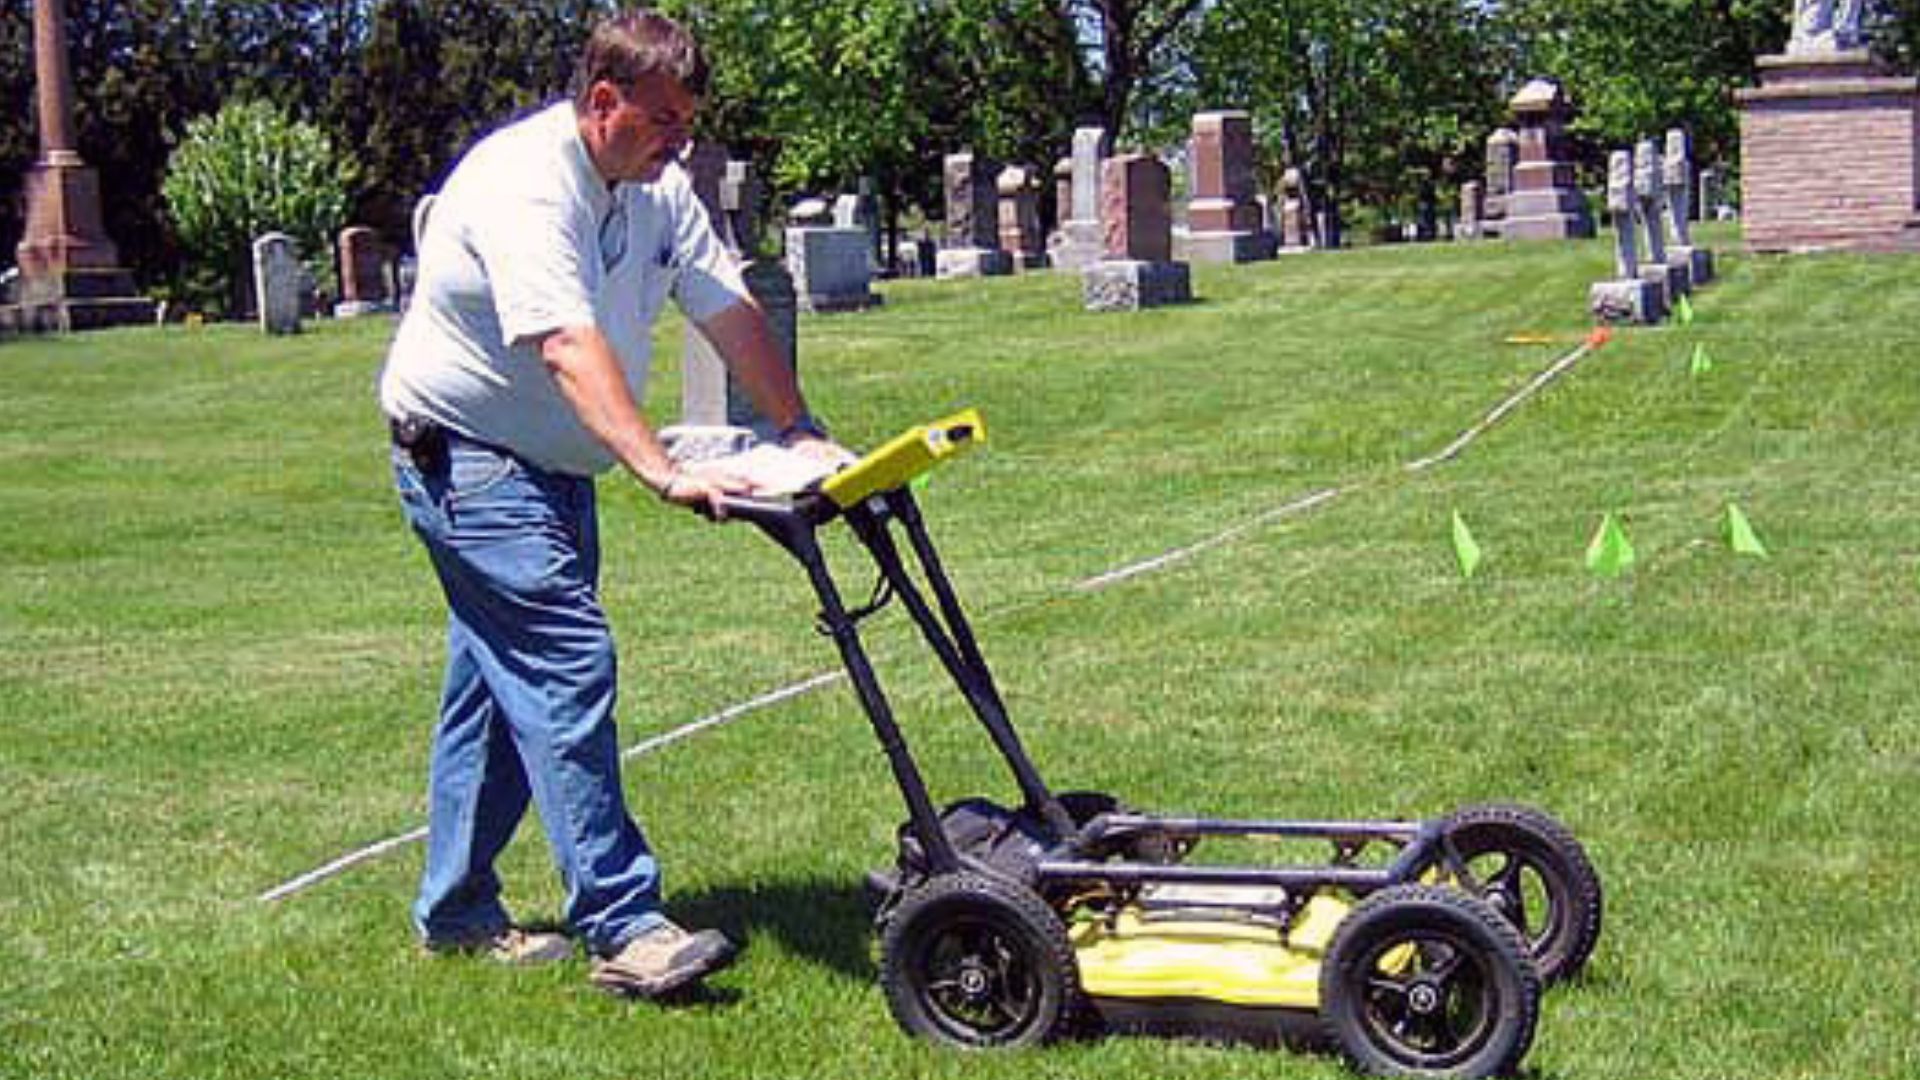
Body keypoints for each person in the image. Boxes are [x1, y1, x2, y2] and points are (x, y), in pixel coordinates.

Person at [377, 9, 848, 998]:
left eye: (689, 118)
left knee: (498, 694)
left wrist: (799, 427)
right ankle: (624, 921)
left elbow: (727, 308)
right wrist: (662, 468)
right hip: (465, 458)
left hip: (547, 466)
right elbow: (564, 346)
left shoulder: (657, 192)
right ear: (603, 103)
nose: (682, 138)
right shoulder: (523, 184)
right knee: (564, 663)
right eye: (665, 118)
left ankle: (457, 913)